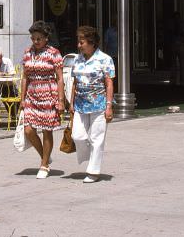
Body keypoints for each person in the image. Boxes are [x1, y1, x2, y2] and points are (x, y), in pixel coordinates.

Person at [20, 20, 65, 179]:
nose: (36, 41)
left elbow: (60, 78)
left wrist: (60, 100)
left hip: (48, 93)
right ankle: (45, 155)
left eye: (39, 38)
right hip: (32, 94)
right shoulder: (27, 52)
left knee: (47, 130)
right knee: (29, 130)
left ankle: (44, 164)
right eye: (33, 38)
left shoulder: (54, 53)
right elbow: (25, 77)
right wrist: (22, 98)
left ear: (46, 38)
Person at [70, 26, 115, 183]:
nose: (79, 45)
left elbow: (109, 83)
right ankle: (91, 155)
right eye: (78, 42)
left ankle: (93, 171)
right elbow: (74, 82)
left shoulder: (105, 59)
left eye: (81, 42)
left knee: (97, 138)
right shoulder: (77, 59)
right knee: (78, 136)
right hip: (80, 105)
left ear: (92, 42)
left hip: (99, 104)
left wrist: (109, 106)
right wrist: (71, 103)